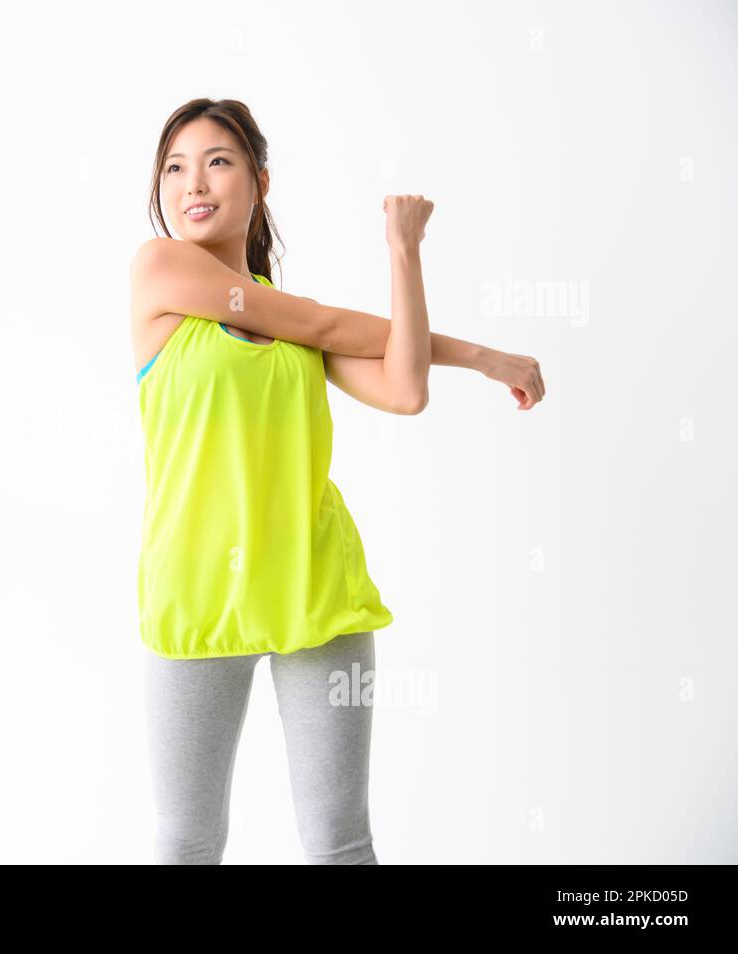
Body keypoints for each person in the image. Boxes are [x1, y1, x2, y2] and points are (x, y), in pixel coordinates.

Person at [130, 98, 545, 865]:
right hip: (194, 595)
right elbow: (324, 325)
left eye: (217, 161)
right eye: (175, 167)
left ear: (258, 181)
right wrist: (487, 356)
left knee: (339, 842)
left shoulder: (297, 326)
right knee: (186, 841)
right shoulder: (159, 270)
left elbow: (405, 386)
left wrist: (403, 252)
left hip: (317, 590)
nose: (193, 183)